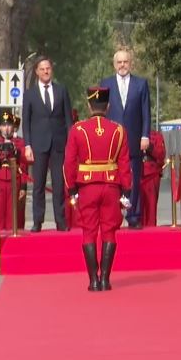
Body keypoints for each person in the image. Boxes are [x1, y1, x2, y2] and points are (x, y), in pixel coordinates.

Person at [64, 87, 132, 291]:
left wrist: (71, 187)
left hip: (87, 187)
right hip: (111, 186)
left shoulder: (78, 129)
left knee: (89, 232)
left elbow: (69, 162)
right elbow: (125, 163)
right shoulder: (118, 130)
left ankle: (93, 279)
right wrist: (126, 189)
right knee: (109, 231)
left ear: (88, 105)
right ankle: (106, 279)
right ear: (108, 106)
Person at [100, 49, 151, 228]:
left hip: (135, 139)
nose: (122, 65)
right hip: (112, 141)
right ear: (114, 65)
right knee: (112, 180)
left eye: (125, 62)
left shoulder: (141, 84)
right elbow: (101, 113)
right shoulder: (105, 84)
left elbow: (146, 112)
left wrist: (145, 135)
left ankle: (133, 216)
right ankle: (112, 216)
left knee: (134, 178)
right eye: (119, 62)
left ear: (131, 63)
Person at [22, 56, 73, 232]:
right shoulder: (30, 94)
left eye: (48, 68)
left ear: (51, 70)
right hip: (38, 144)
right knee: (38, 186)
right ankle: (38, 221)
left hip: (59, 144)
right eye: (42, 69)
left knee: (59, 184)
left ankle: (61, 220)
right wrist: (27, 145)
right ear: (37, 72)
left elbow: (68, 120)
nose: (45, 71)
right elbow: (26, 122)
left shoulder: (61, 91)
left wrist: (71, 143)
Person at [0, 111, 29, 242]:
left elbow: (24, 166)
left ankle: (13, 244)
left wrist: (24, 186)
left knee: (14, 217)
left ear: (13, 127)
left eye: (9, 125)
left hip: (14, 181)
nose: (6, 128)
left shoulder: (20, 143)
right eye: (3, 125)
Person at [139, 129, 166, 227]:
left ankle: (150, 233)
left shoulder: (156, 135)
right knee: (136, 210)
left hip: (151, 174)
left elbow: (161, 154)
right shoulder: (131, 133)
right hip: (136, 174)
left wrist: (149, 146)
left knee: (151, 208)